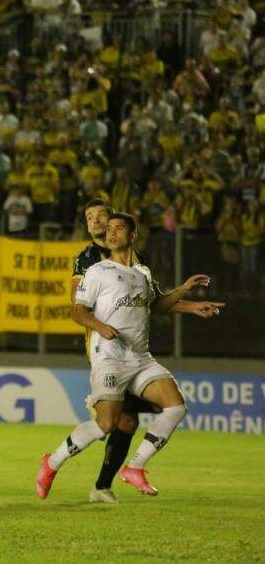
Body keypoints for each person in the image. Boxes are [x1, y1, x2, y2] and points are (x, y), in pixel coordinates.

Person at [38, 213, 221, 500]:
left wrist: (189, 298)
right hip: (108, 357)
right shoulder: (98, 271)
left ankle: (134, 467)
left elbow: (157, 304)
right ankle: (51, 463)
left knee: (176, 407)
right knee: (106, 424)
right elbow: (77, 311)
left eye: (119, 228)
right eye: (108, 228)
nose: (111, 233)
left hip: (140, 357)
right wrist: (100, 326)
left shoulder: (142, 273)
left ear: (133, 235)